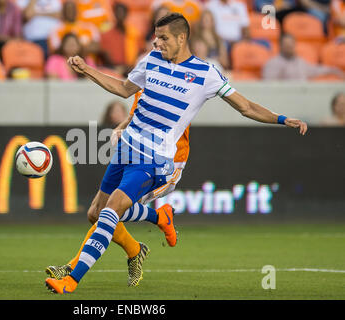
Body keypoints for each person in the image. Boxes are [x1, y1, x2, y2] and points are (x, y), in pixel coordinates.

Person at [45, 13, 308, 294]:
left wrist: (281, 119)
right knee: (96, 212)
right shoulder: (151, 59)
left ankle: (71, 280)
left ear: (182, 38)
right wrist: (86, 69)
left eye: (164, 38)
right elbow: (123, 89)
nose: (158, 43)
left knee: (111, 211)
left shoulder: (206, 74)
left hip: (153, 159)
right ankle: (156, 222)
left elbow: (245, 106)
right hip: (126, 148)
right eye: (156, 37)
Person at [46, 89, 191, 287]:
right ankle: (139, 244)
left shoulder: (183, 83)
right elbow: (134, 116)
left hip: (166, 163)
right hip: (135, 154)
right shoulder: (149, 78)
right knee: (95, 213)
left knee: (111, 210)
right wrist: (120, 128)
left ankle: (72, 270)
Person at [262, 33, 345, 80]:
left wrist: (334, 70)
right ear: (280, 45)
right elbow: (270, 86)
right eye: (286, 45)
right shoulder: (272, 64)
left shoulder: (300, 62)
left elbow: (316, 70)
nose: (289, 48)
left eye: (291, 45)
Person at [99, 2, 141, 76]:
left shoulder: (134, 33)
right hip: (113, 70)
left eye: (122, 13)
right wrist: (119, 69)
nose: (120, 15)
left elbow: (139, 53)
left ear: (126, 14)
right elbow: (106, 56)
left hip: (131, 69)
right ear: (114, 14)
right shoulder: (106, 34)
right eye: (118, 13)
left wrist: (129, 67)